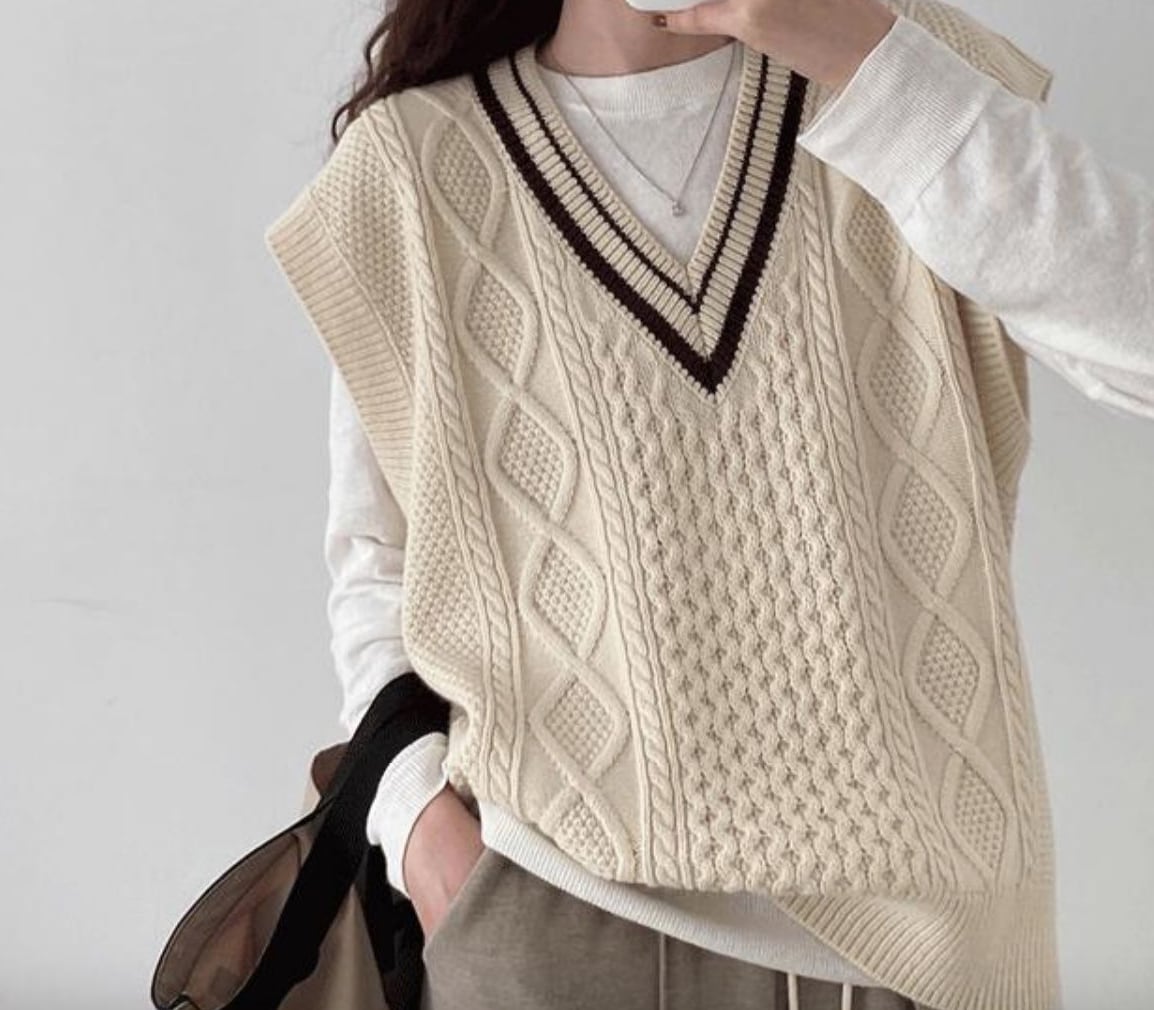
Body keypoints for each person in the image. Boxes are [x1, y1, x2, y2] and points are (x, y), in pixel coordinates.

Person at [266, 0, 1154, 1007]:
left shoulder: (901, 74)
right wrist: (426, 842)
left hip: (916, 949)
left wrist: (859, 52)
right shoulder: (413, 166)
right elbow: (381, 569)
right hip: (550, 918)